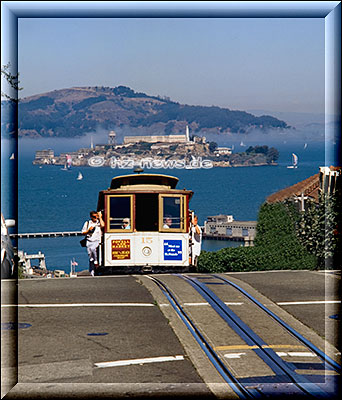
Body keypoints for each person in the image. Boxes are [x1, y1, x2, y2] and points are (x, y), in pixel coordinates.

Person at [82, 211, 104, 276]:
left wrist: (100, 217)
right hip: (89, 241)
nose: (95, 218)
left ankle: (96, 262)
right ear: (91, 217)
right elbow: (83, 232)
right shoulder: (87, 223)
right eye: (94, 217)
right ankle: (92, 272)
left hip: (97, 241)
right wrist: (88, 230)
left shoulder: (99, 222)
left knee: (94, 250)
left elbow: (103, 225)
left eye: (96, 216)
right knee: (91, 257)